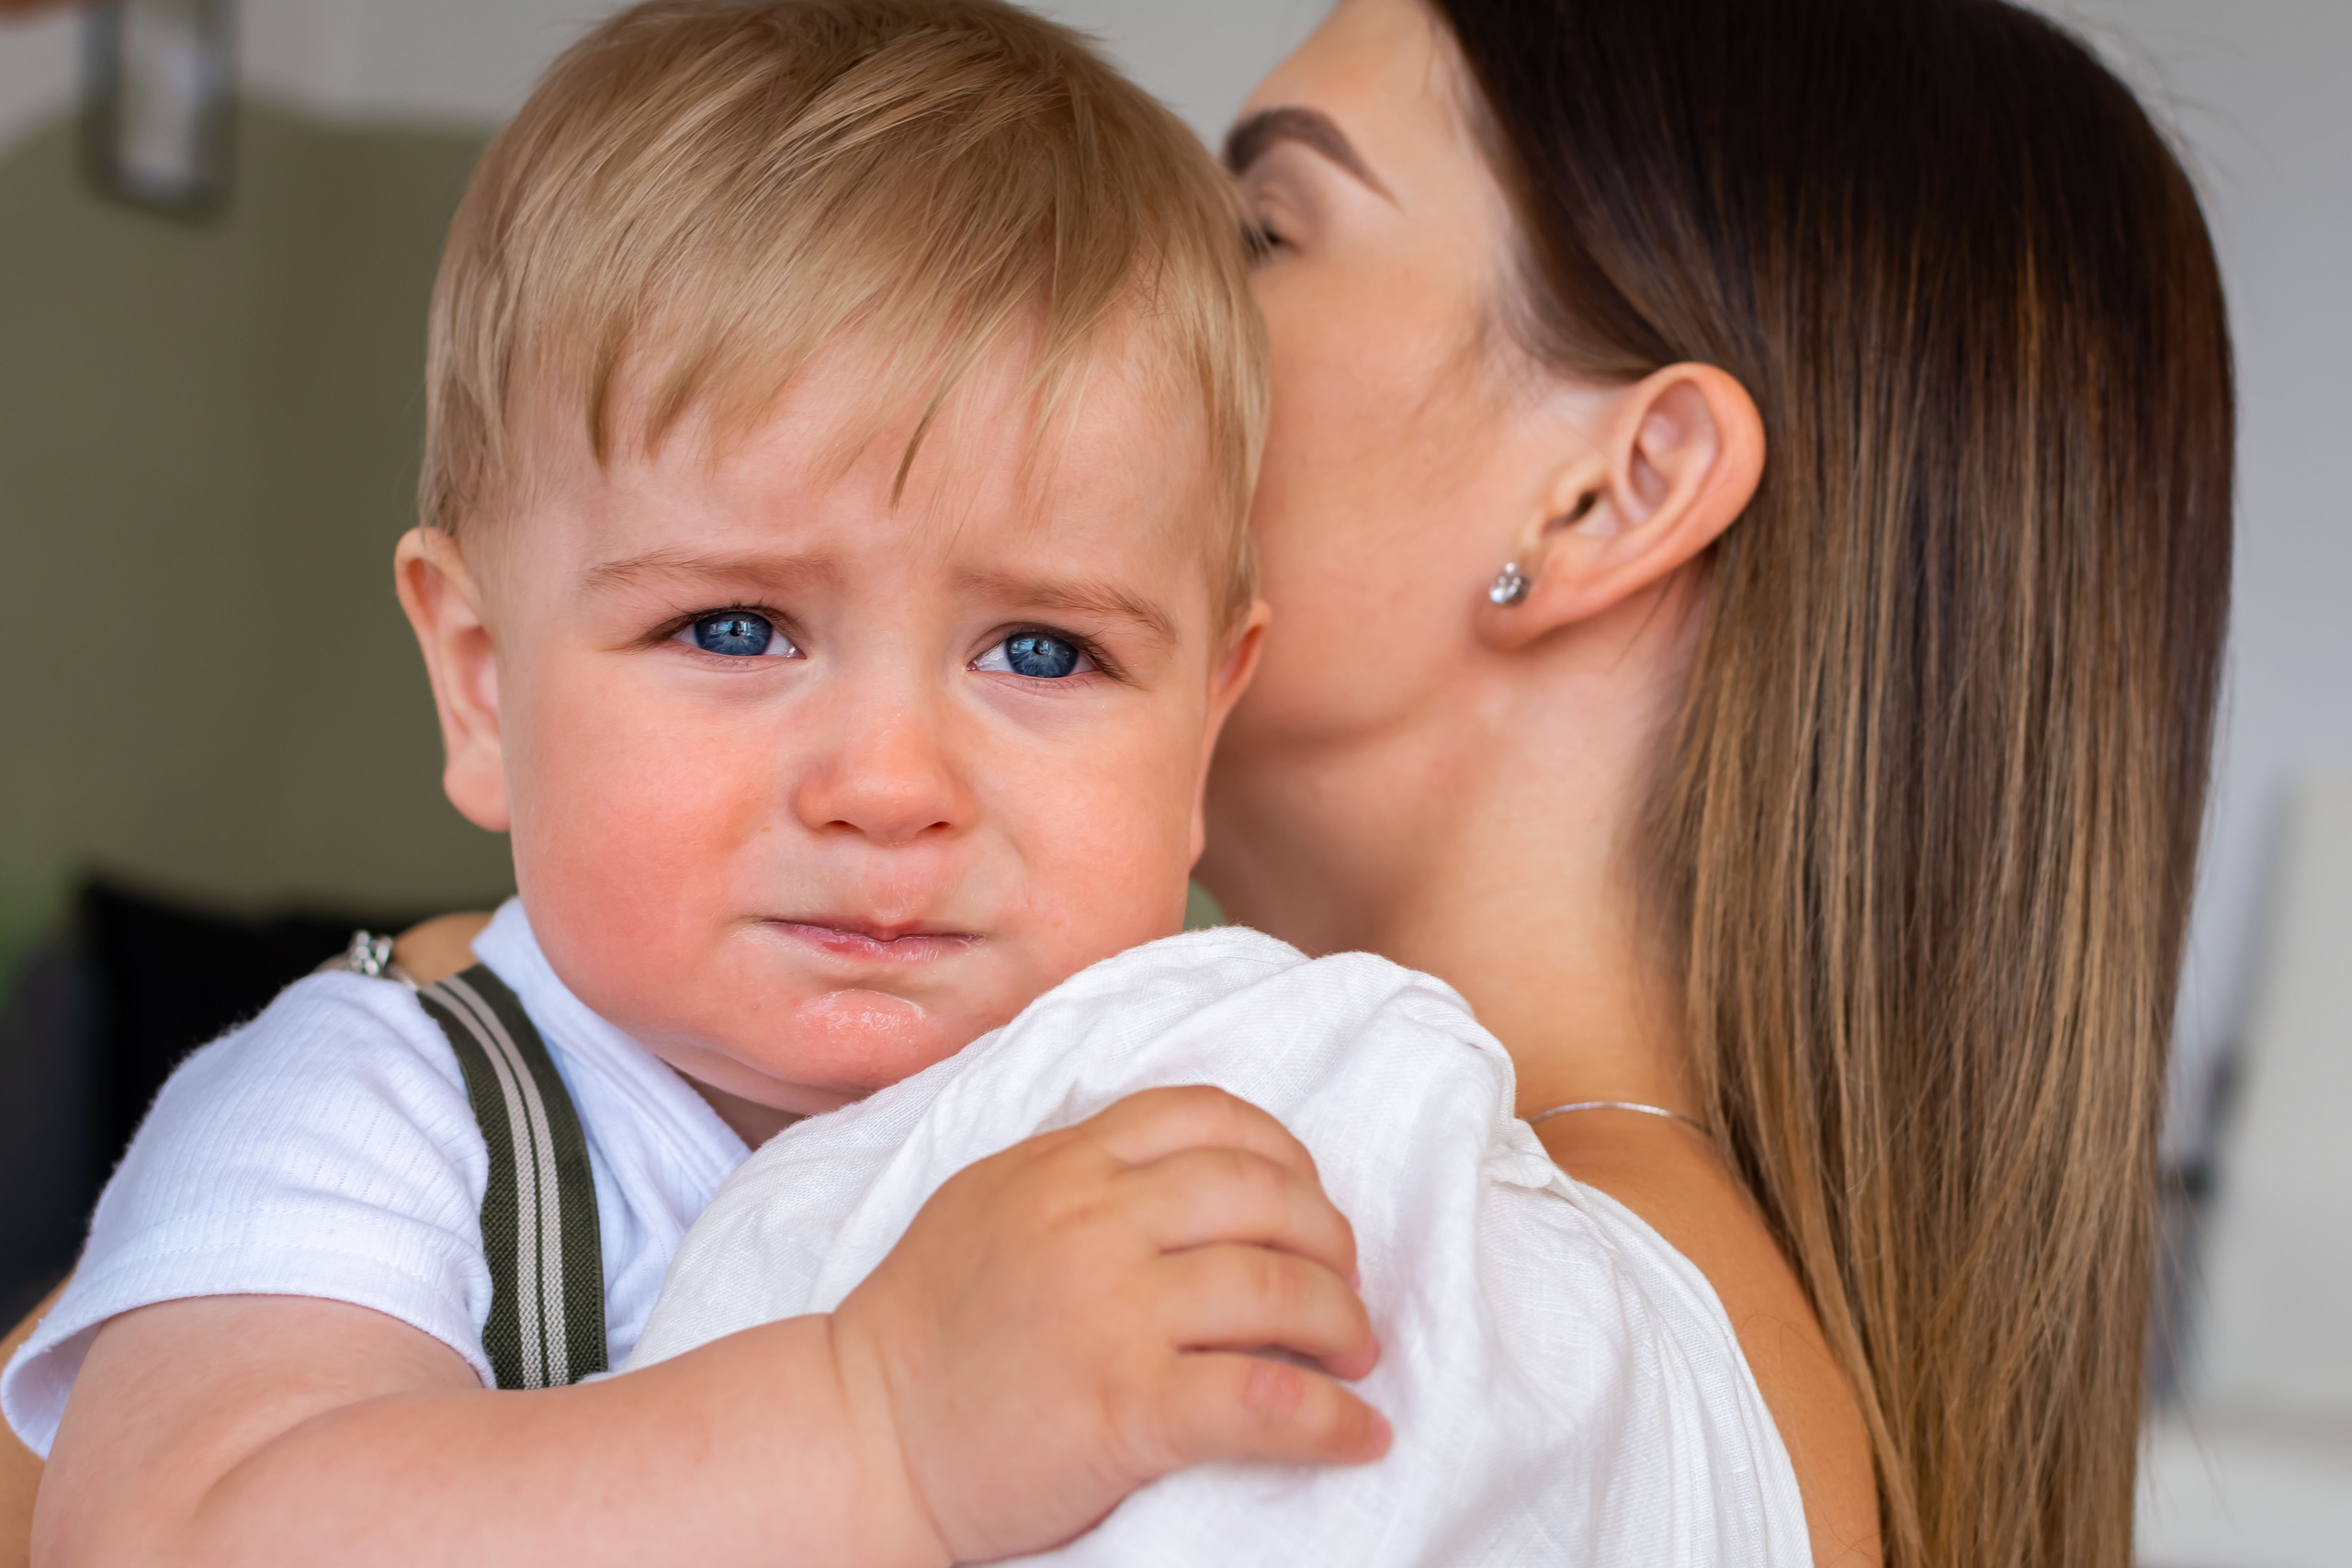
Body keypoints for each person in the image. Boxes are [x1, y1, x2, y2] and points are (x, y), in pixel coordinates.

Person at [3, 4, 1392, 1563]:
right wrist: (880, 1425)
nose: (889, 785)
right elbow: (174, 1535)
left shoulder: (1217, 1109)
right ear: (479, 681)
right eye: (736, 627)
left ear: (1204, 726)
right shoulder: (384, 1109)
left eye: (1044, 652)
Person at [1200, 2, 2233, 1567]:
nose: (1127, 294)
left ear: (1614, 494)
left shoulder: (1477, 1342)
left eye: (1263, 233)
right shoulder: (1547, 1311)